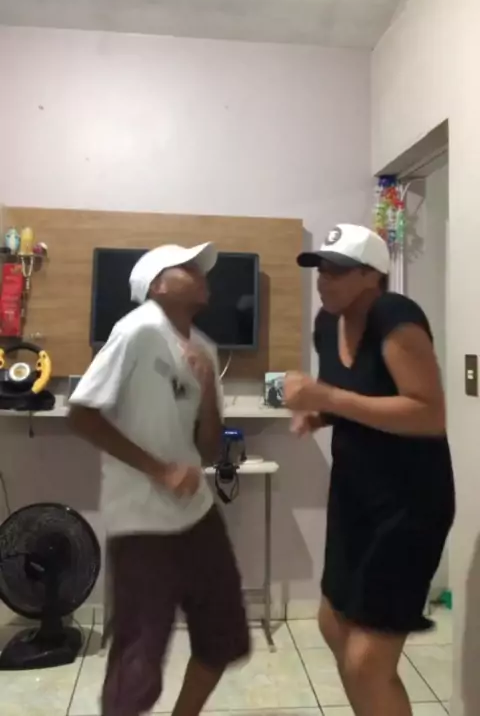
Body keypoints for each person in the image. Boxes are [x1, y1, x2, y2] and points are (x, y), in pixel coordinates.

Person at [69, 242, 250, 716]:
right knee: (138, 662)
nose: (201, 273)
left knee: (223, 637)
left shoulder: (205, 347)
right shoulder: (137, 330)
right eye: (186, 267)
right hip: (142, 525)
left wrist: (207, 387)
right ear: (156, 285)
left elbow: (207, 449)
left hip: (197, 515)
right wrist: (160, 469)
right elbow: (82, 414)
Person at [284, 223, 455, 716]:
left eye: (337, 270)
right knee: (332, 625)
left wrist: (327, 397)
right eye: (320, 268)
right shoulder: (326, 323)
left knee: (366, 663)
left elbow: (428, 413)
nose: (323, 279)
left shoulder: (395, 316)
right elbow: (359, 397)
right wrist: (319, 414)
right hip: (354, 496)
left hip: (408, 505)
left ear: (371, 276)